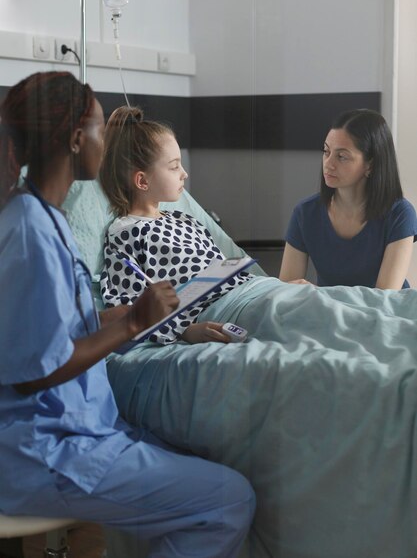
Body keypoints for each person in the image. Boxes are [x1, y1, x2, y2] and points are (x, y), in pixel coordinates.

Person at [0, 71, 256, 558]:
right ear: (77, 139)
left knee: (205, 456)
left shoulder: (44, 218)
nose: (106, 142)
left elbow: (55, 323)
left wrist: (130, 315)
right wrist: (136, 323)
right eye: (100, 130)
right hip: (48, 451)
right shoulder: (30, 232)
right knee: (227, 501)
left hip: (79, 430)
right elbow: (37, 370)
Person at [99, 105, 253, 344]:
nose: (184, 174)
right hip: (223, 312)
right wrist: (185, 330)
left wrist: (272, 285)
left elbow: (227, 270)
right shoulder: (126, 233)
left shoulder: (185, 219)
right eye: (174, 166)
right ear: (142, 180)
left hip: (251, 294)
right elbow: (127, 306)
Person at [279, 109, 417, 289]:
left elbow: (385, 298)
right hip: (329, 313)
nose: (328, 164)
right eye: (326, 152)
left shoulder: (400, 214)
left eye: (342, 156)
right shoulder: (305, 213)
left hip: (386, 315)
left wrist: (316, 295)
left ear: (371, 164)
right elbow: (285, 291)